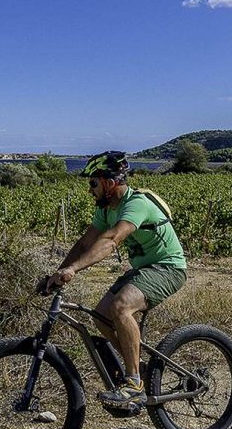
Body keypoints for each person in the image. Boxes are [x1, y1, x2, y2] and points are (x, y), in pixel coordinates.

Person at [45, 151, 187, 410]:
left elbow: (111, 241)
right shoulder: (106, 209)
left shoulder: (136, 204)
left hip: (168, 268)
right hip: (144, 269)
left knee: (121, 306)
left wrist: (74, 269)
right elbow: (86, 242)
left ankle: (133, 384)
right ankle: (139, 370)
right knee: (101, 315)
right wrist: (60, 271)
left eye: (93, 183)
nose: (90, 189)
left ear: (109, 183)